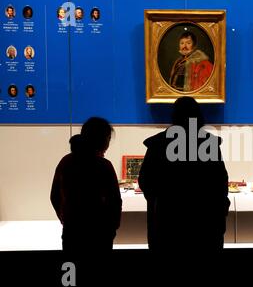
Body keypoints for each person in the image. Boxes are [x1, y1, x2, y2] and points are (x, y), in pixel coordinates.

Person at [138, 96, 230, 252]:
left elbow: (146, 182)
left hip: (167, 222)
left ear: (174, 116)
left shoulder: (158, 145)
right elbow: (220, 184)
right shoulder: (209, 145)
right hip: (204, 224)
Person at [50, 117, 122, 255]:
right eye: (108, 138)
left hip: (72, 228)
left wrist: (65, 218)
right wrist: (112, 227)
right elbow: (115, 201)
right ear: (103, 139)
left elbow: (54, 196)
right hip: (99, 231)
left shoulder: (66, 161)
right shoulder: (104, 165)